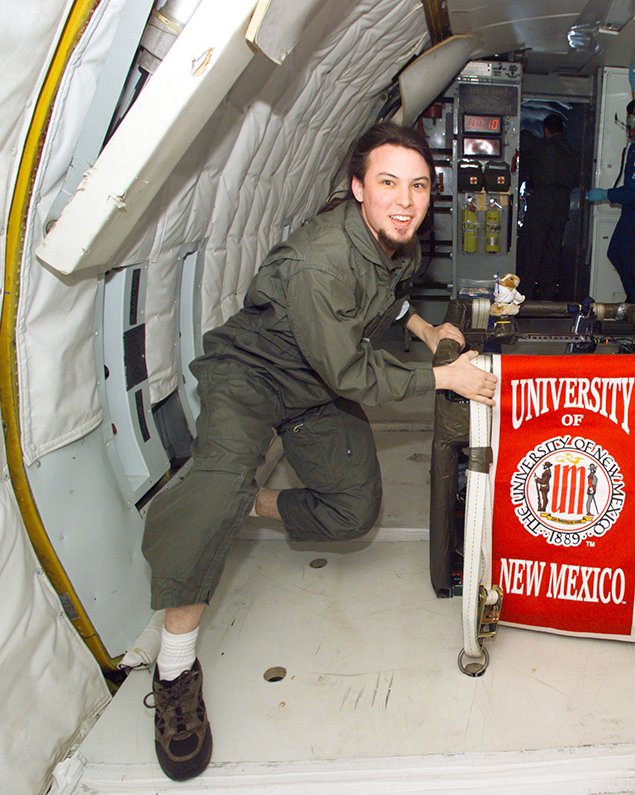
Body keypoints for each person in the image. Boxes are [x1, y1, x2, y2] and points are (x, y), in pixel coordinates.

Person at [139, 121, 498, 781]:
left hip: (313, 388)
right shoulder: (318, 259)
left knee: (354, 509)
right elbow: (353, 375)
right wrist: (446, 375)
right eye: (388, 182)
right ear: (358, 187)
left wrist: (421, 325)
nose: (405, 200)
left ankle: (241, 502)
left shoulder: (402, 243)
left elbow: (383, 301)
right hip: (253, 375)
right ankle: (173, 670)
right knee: (214, 491)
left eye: (418, 185)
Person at [587, 59, 635, 312]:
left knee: (631, 269)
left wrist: (605, 194)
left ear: (634, 122)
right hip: (632, 216)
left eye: (631, 119)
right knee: (616, 255)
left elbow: (634, 192)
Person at [517, 113, 581, 299]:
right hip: (561, 206)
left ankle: (525, 297)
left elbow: (524, 140)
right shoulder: (572, 152)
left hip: (540, 205)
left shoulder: (541, 147)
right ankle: (548, 298)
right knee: (553, 254)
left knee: (532, 252)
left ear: (546, 130)